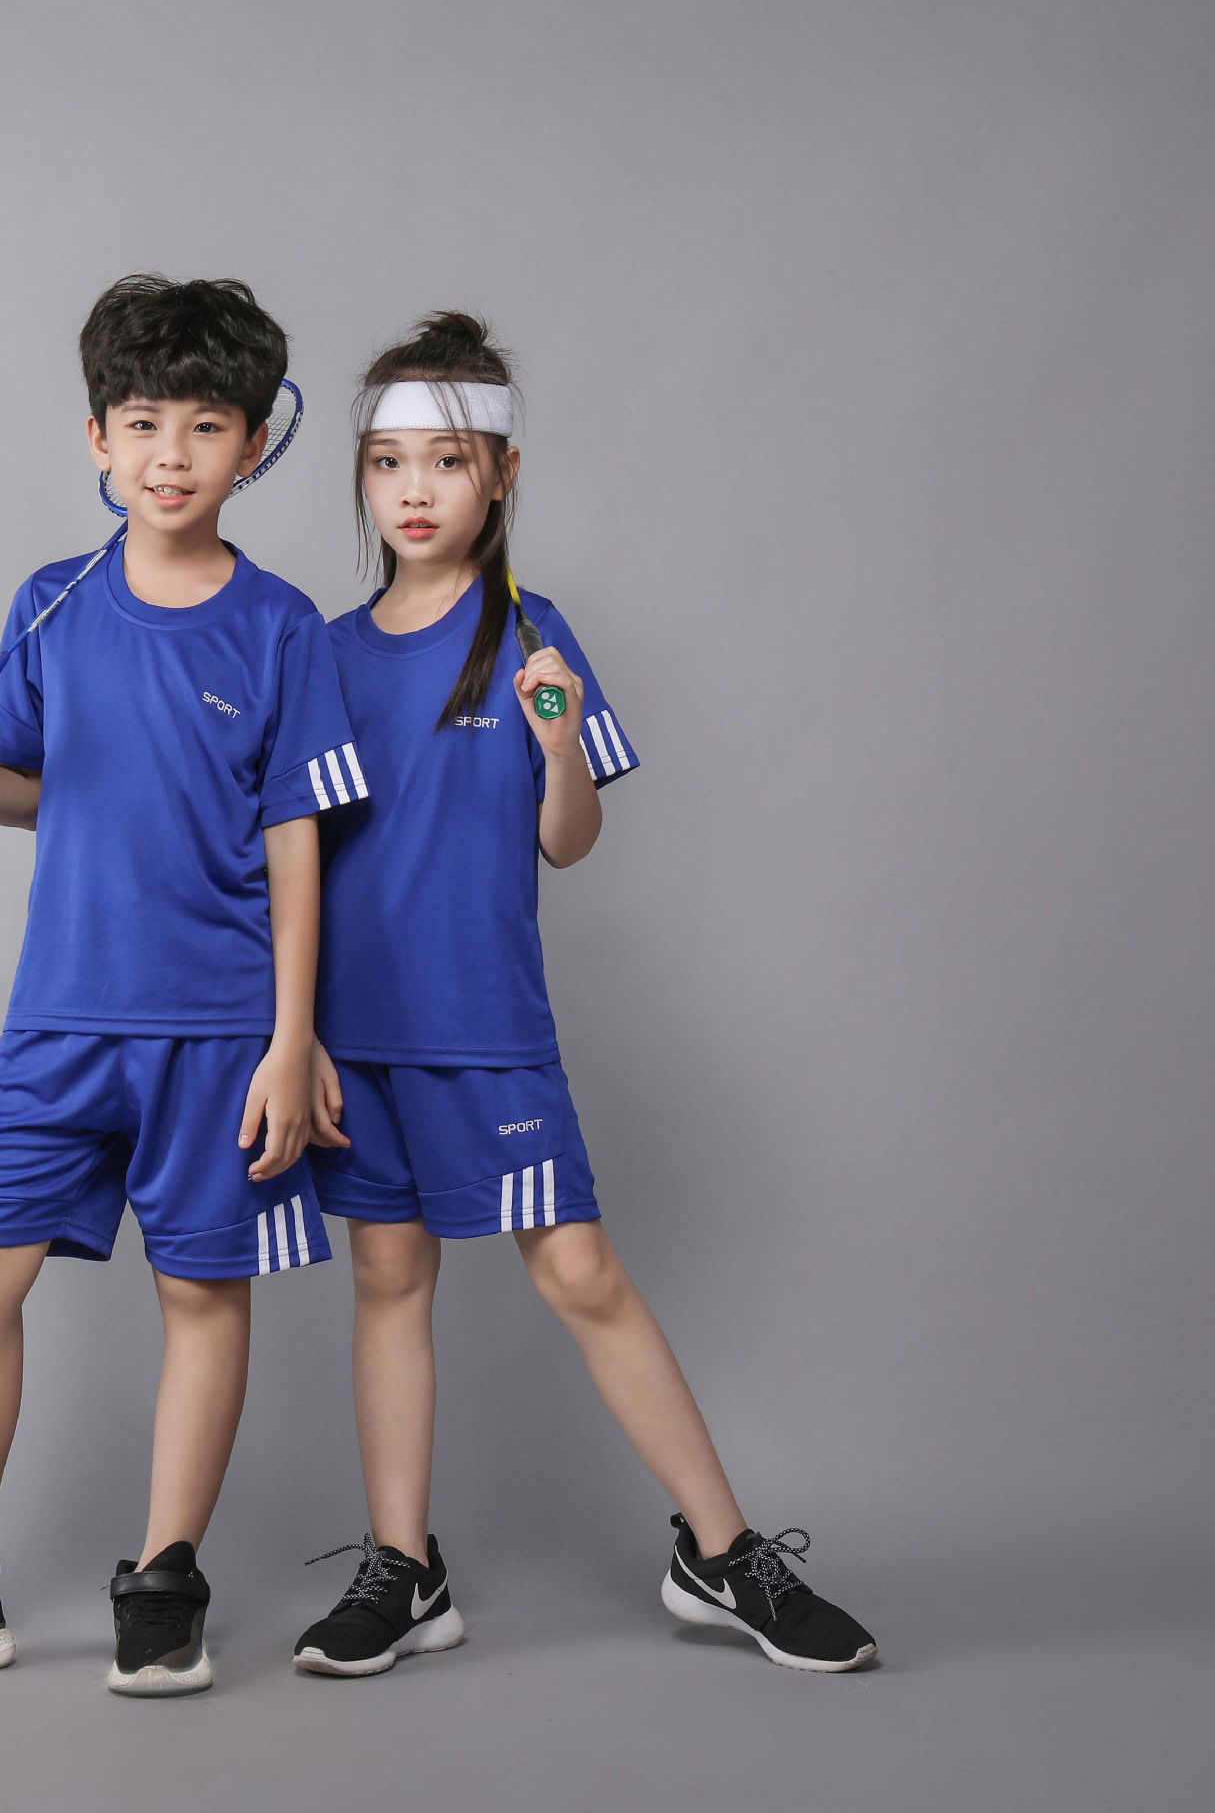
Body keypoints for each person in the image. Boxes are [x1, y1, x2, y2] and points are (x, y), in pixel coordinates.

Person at [0, 276, 363, 1697]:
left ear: (253, 447)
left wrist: (293, 1038)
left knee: (202, 1293)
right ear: (97, 439)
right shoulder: (51, 605)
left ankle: (165, 1579)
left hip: (218, 1027)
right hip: (61, 1017)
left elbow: (298, 845)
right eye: (142, 422)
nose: (171, 453)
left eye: (206, 425)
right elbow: (31, 792)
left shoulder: (284, 627)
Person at [292, 312, 876, 1678]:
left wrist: (557, 749)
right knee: (388, 1277)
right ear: (363, 479)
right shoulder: (318, 653)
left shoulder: (531, 634)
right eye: (387, 462)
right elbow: (293, 861)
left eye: (448, 461)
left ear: (502, 475)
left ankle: (721, 1552)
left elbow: (567, 840)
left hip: (486, 1027)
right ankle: (404, 1568)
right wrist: (295, 1032)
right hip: (350, 1038)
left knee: (578, 1269)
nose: (416, 490)